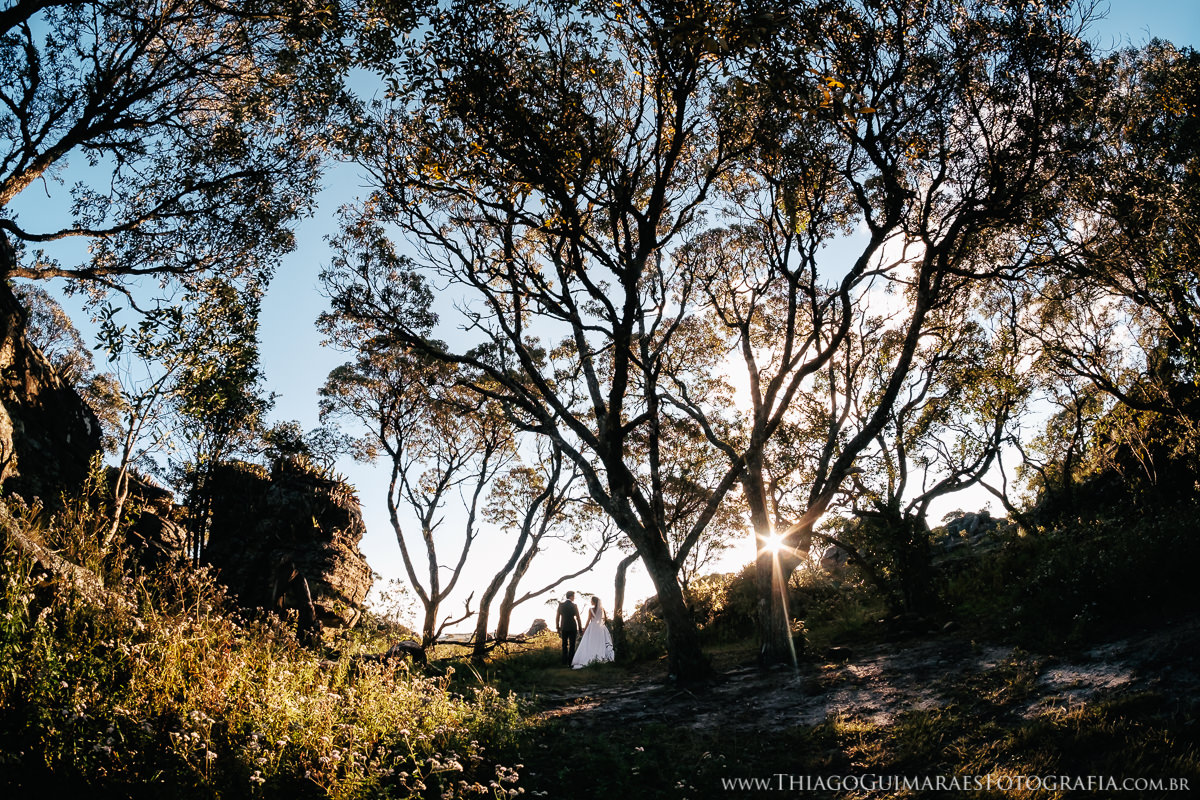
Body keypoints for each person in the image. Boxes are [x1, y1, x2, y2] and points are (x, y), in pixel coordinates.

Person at [571, 595, 615, 669]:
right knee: (600, 642)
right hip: (600, 628)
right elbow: (604, 619)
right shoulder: (602, 609)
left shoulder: (590, 609)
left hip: (592, 627)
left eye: (591, 601)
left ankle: (591, 656)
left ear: (594, 602)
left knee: (590, 643)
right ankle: (599, 656)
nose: (590, 602)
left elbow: (588, 620)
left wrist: (585, 629)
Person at [556, 591, 582, 666]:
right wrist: (580, 629)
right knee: (572, 645)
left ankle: (564, 662)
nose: (574, 598)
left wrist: (558, 628)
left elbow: (557, 617)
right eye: (573, 596)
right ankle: (570, 663)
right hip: (572, 627)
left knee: (564, 645)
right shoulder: (574, 605)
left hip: (563, 627)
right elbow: (578, 618)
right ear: (570, 596)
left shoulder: (561, 605)